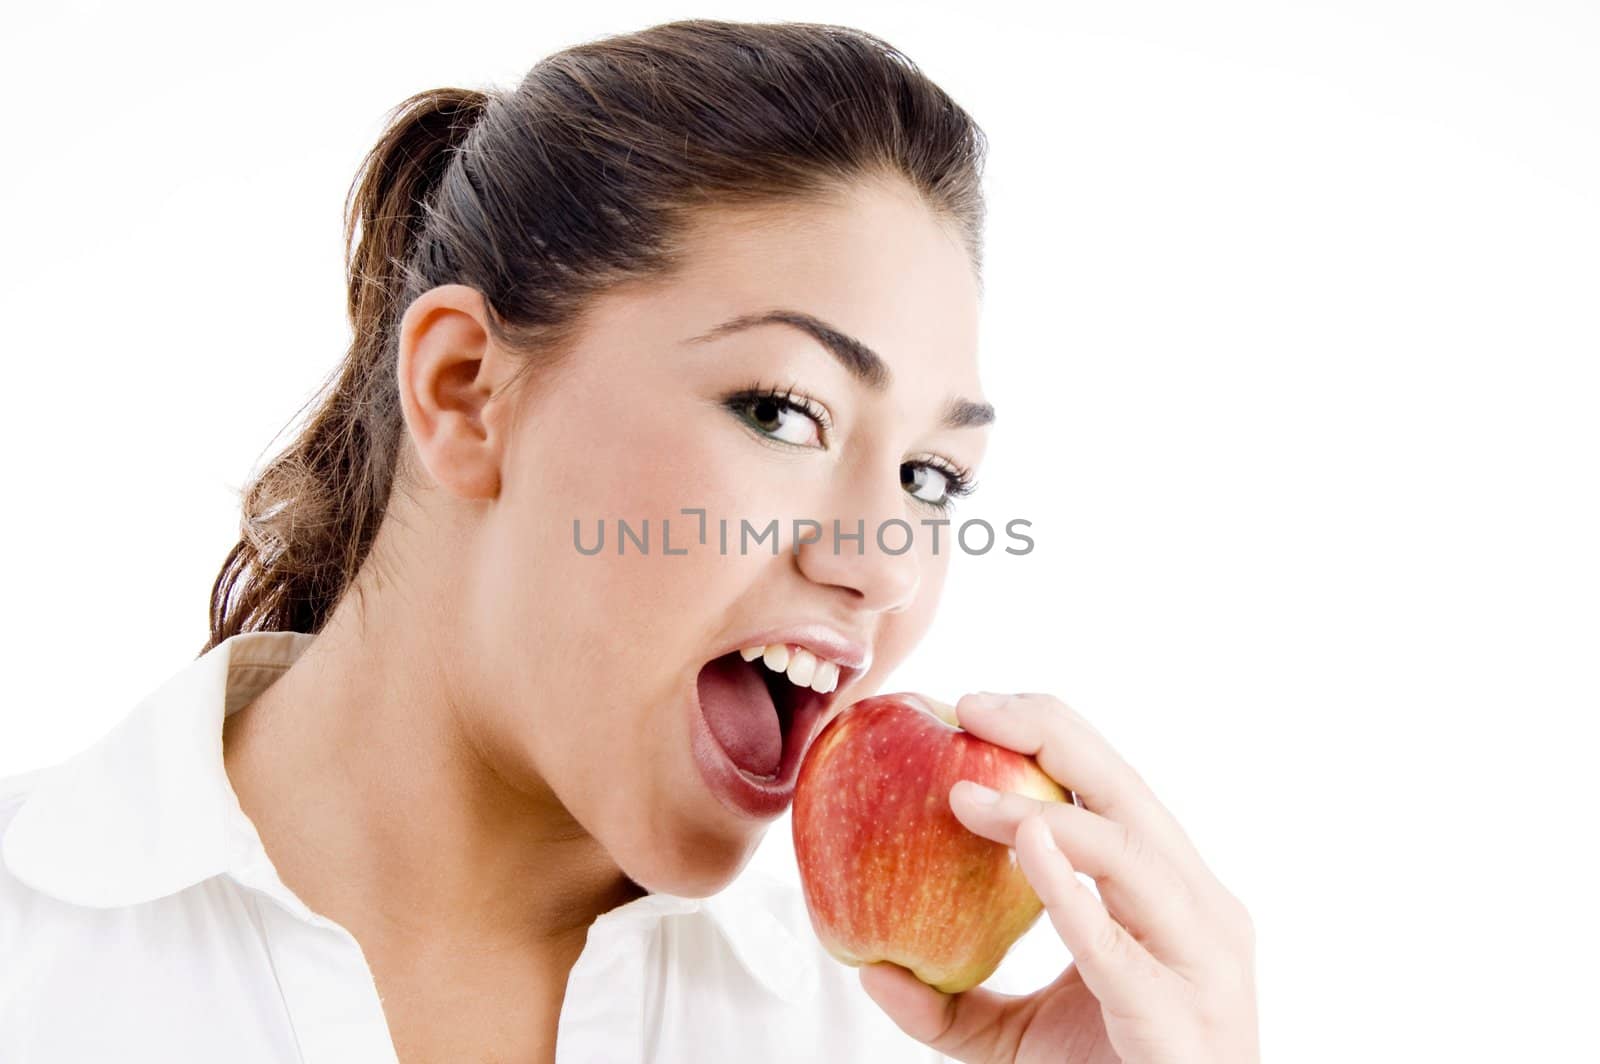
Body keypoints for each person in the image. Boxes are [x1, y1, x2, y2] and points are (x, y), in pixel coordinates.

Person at [0, 17, 1258, 1064]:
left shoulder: (867, 1037)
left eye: (932, 475)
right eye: (784, 410)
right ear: (463, 392)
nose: (885, 562)